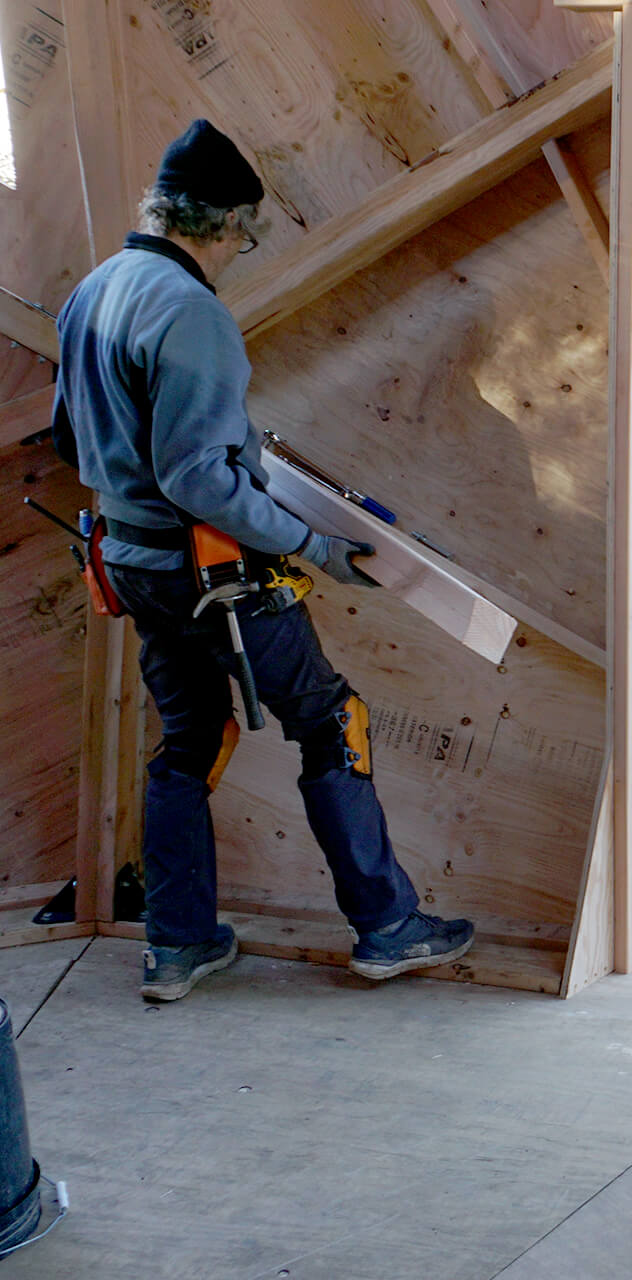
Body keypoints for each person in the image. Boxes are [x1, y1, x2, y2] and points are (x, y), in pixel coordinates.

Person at [52, 119, 473, 1001]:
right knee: (331, 724)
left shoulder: (92, 292)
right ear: (220, 221)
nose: (241, 250)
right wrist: (318, 544)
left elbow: (69, 436)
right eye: (245, 233)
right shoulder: (192, 311)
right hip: (214, 575)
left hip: (129, 564)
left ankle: (177, 946)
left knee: (190, 743)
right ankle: (389, 929)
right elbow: (199, 480)